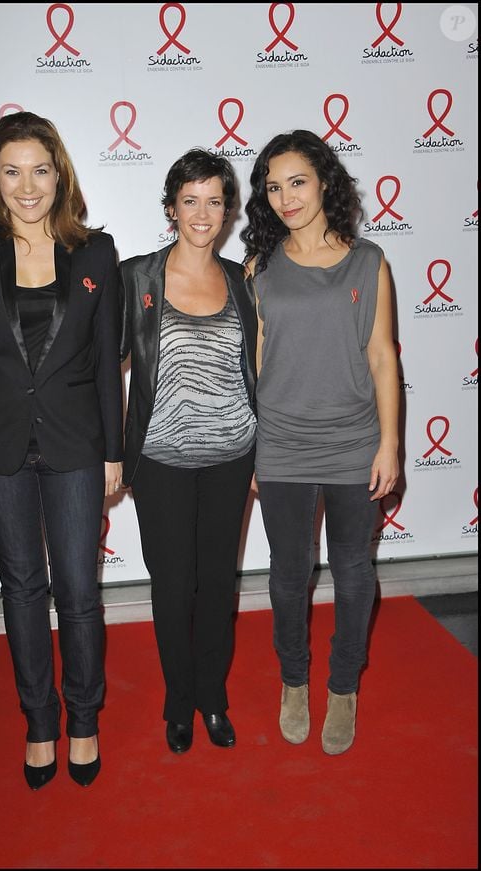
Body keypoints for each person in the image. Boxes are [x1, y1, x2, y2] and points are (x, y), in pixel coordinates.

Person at [0, 111, 123, 789]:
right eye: (12, 170)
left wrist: (114, 454)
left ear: (60, 173)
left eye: (40, 169)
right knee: (22, 586)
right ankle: (39, 718)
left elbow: (108, 361)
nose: (27, 185)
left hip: (78, 442)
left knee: (78, 589)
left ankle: (83, 717)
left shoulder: (97, 253)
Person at [241, 130, 399, 755]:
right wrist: (251, 446)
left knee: (355, 573)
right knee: (287, 575)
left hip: (355, 440)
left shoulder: (369, 261)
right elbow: (254, 361)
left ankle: (342, 686)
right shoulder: (260, 268)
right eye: (273, 187)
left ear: (325, 182)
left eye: (297, 181)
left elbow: (383, 357)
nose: (285, 198)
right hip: (280, 442)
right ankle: (294, 681)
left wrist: (389, 445)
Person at [119, 148, 257, 753]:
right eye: (190, 200)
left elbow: (259, 368)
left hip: (232, 458)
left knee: (217, 585)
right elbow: (102, 367)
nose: (202, 213)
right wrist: (105, 453)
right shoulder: (136, 277)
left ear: (228, 210)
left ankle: (213, 699)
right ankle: (179, 703)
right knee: (173, 586)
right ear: (171, 206)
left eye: (215, 201)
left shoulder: (241, 280)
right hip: (161, 464)